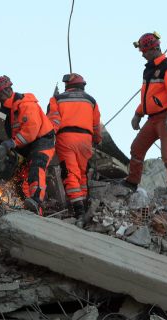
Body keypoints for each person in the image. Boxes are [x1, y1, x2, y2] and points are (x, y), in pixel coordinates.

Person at [121, 32, 167, 194]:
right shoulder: (149, 70)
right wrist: (138, 114)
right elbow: (147, 97)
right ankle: (132, 182)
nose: (142, 55)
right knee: (136, 148)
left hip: (166, 118)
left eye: (144, 51)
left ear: (154, 48)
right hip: (152, 119)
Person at [0, 75, 55, 215]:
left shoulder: (25, 104)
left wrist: (12, 143)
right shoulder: (12, 112)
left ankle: (36, 201)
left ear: (6, 91)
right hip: (29, 147)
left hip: (42, 141)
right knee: (20, 177)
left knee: (37, 168)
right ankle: (32, 210)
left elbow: (31, 130)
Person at [46, 73, 101, 224]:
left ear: (67, 86)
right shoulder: (91, 101)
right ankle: (83, 204)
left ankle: (78, 211)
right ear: (83, 86)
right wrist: (97, 140)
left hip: (66, 138)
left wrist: (48, 137)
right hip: (86, 140)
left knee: (70, 173)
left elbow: (53, 121)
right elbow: (96, 125)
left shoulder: (57, 99)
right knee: (82, 174)